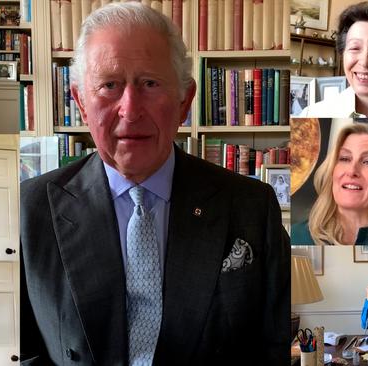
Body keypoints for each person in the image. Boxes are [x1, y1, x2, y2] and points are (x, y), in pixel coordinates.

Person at [20, 3, 290, 365]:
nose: (130, 109)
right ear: (82, 104)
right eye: (109, 85)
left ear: (184, 101)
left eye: (150, 83)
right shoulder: (29, 208)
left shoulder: (252, 206)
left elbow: (271, 347)